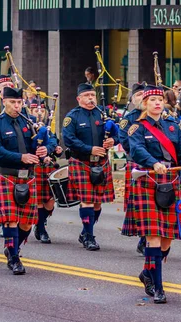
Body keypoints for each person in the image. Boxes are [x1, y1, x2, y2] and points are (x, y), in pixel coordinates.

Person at [129, 85, 181, 303]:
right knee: (154, 236)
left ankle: (147, 272)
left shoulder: (173, 127)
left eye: (160, 99)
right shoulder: (137, 128)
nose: (157, 103)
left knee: (167, 238)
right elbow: (137, 149)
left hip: (171, 182)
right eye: (152, 100)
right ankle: (158, 286)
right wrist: (153, 163)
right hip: (149, 182)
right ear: (145, 104)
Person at [0, 86, 44, 275]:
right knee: (11, 219)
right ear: (4, 102)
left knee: (27, 222)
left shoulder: (29, 122)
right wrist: (21, 157)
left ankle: (12, 247)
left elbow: (47, 140)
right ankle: (13, 258)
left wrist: (45, 150)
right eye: (13, 102)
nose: (17, 106)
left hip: (27, 177)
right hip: (6, 176)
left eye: (19, 102)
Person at [63, 83, 118, 251]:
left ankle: (86, 231)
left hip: (101, 163)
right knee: (87, 201)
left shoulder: (103, 115)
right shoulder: (72, 117)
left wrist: (113, 141)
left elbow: (117, 133)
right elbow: (68, 139)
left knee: (97, 204)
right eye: (86, 96)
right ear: (79, 99)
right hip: (81, 162)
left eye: (92, 95)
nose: (90, 99)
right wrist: (90, 148)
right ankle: (88, 236)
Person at [118, 82, 147, 254]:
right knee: (140, 204)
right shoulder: (128, 119)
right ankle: (144, 237)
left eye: (145, 94)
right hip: (137, 165)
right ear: (132, 99)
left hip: (157, 166)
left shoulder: (159, 117)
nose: (142, 97)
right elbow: (125, 142)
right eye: (138, 95)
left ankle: (145, 238)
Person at [29, 99, 59, 244]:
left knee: (50, 203)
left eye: (42, 111)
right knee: (39, 201)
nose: (39, 114)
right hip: (35, 166)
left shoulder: (48, 128)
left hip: (48, 167)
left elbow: (54, 142)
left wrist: (50, 150)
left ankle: (40, 223)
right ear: (30, 112)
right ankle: (41, 230)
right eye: (36, 111)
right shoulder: (28, 127)